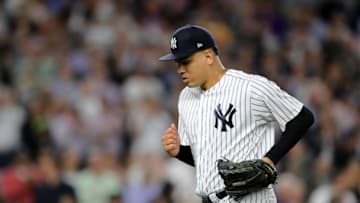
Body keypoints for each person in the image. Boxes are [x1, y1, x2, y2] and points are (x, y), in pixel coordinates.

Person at [159, 25, 314, 203]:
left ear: (208, 56)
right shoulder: (186, 97)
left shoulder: (251, 87)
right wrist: (178, 151)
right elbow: (205, 160)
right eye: (177, 63)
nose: (180, 69)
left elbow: (303, 118)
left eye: (186, 62)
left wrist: (270, 159)